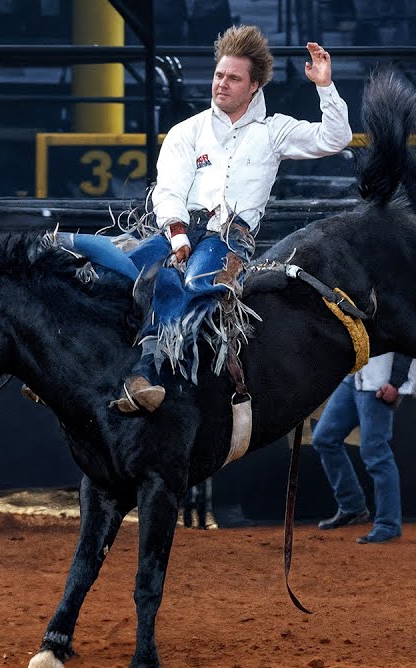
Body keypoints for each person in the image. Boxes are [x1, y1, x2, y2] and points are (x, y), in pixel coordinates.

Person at [85, 25, 353, 413]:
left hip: (229, 238)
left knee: (198, 285)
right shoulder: (187, 131)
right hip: (177, 228)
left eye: (233, 78)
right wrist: (177, 236)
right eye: (219, 75)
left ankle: (145, 374)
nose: (221, 84)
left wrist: (324, 87)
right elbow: (169, 190)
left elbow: (335, 138)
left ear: (254, 86)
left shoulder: (273, 131)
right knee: (117, 271)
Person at [313, 352, 416, 544]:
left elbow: (406, 342)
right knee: (324, 438)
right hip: (353, 377)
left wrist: (395, 383)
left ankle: (388, 524)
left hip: (379, 383)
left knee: (375, 453)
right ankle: (352, 506)